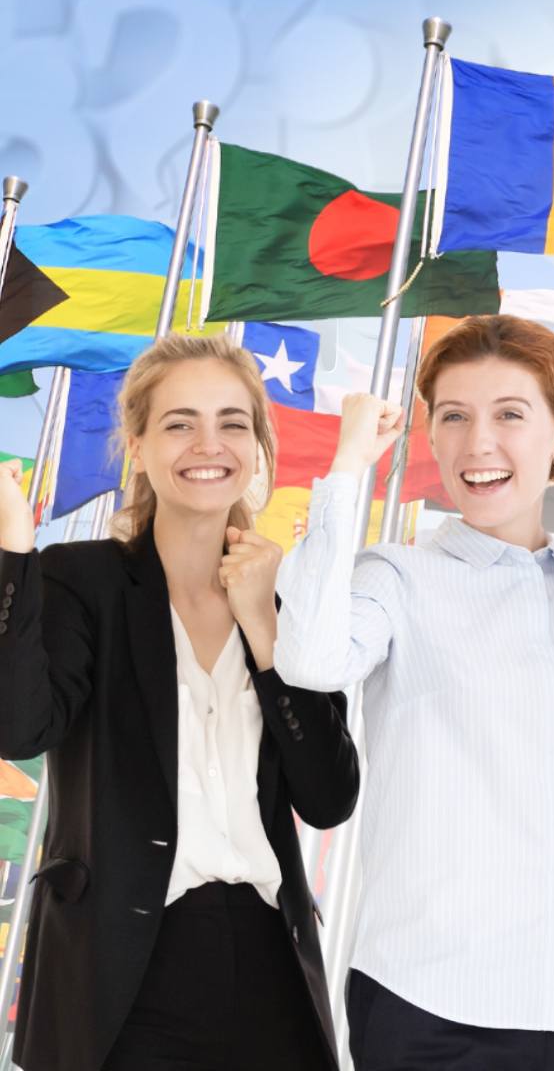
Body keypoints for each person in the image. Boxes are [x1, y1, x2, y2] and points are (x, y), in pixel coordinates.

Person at [271, 315, 554, 1071]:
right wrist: (346, 469)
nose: (479, 445)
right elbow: (308, 659)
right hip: (431, 1002)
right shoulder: (395, 578)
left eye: (510, 414)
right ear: (429, 434)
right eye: (455, 417)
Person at [0, 335, 359, 1071]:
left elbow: (327, 797)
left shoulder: (290, 599)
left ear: (259, 448)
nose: (209, 443)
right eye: (179, 422)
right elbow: (19, 727)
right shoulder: (82, 579)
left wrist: (264, 628)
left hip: (268, 962)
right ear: (137, 446)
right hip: (121, 967)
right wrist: (12, 554)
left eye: (233, 422)